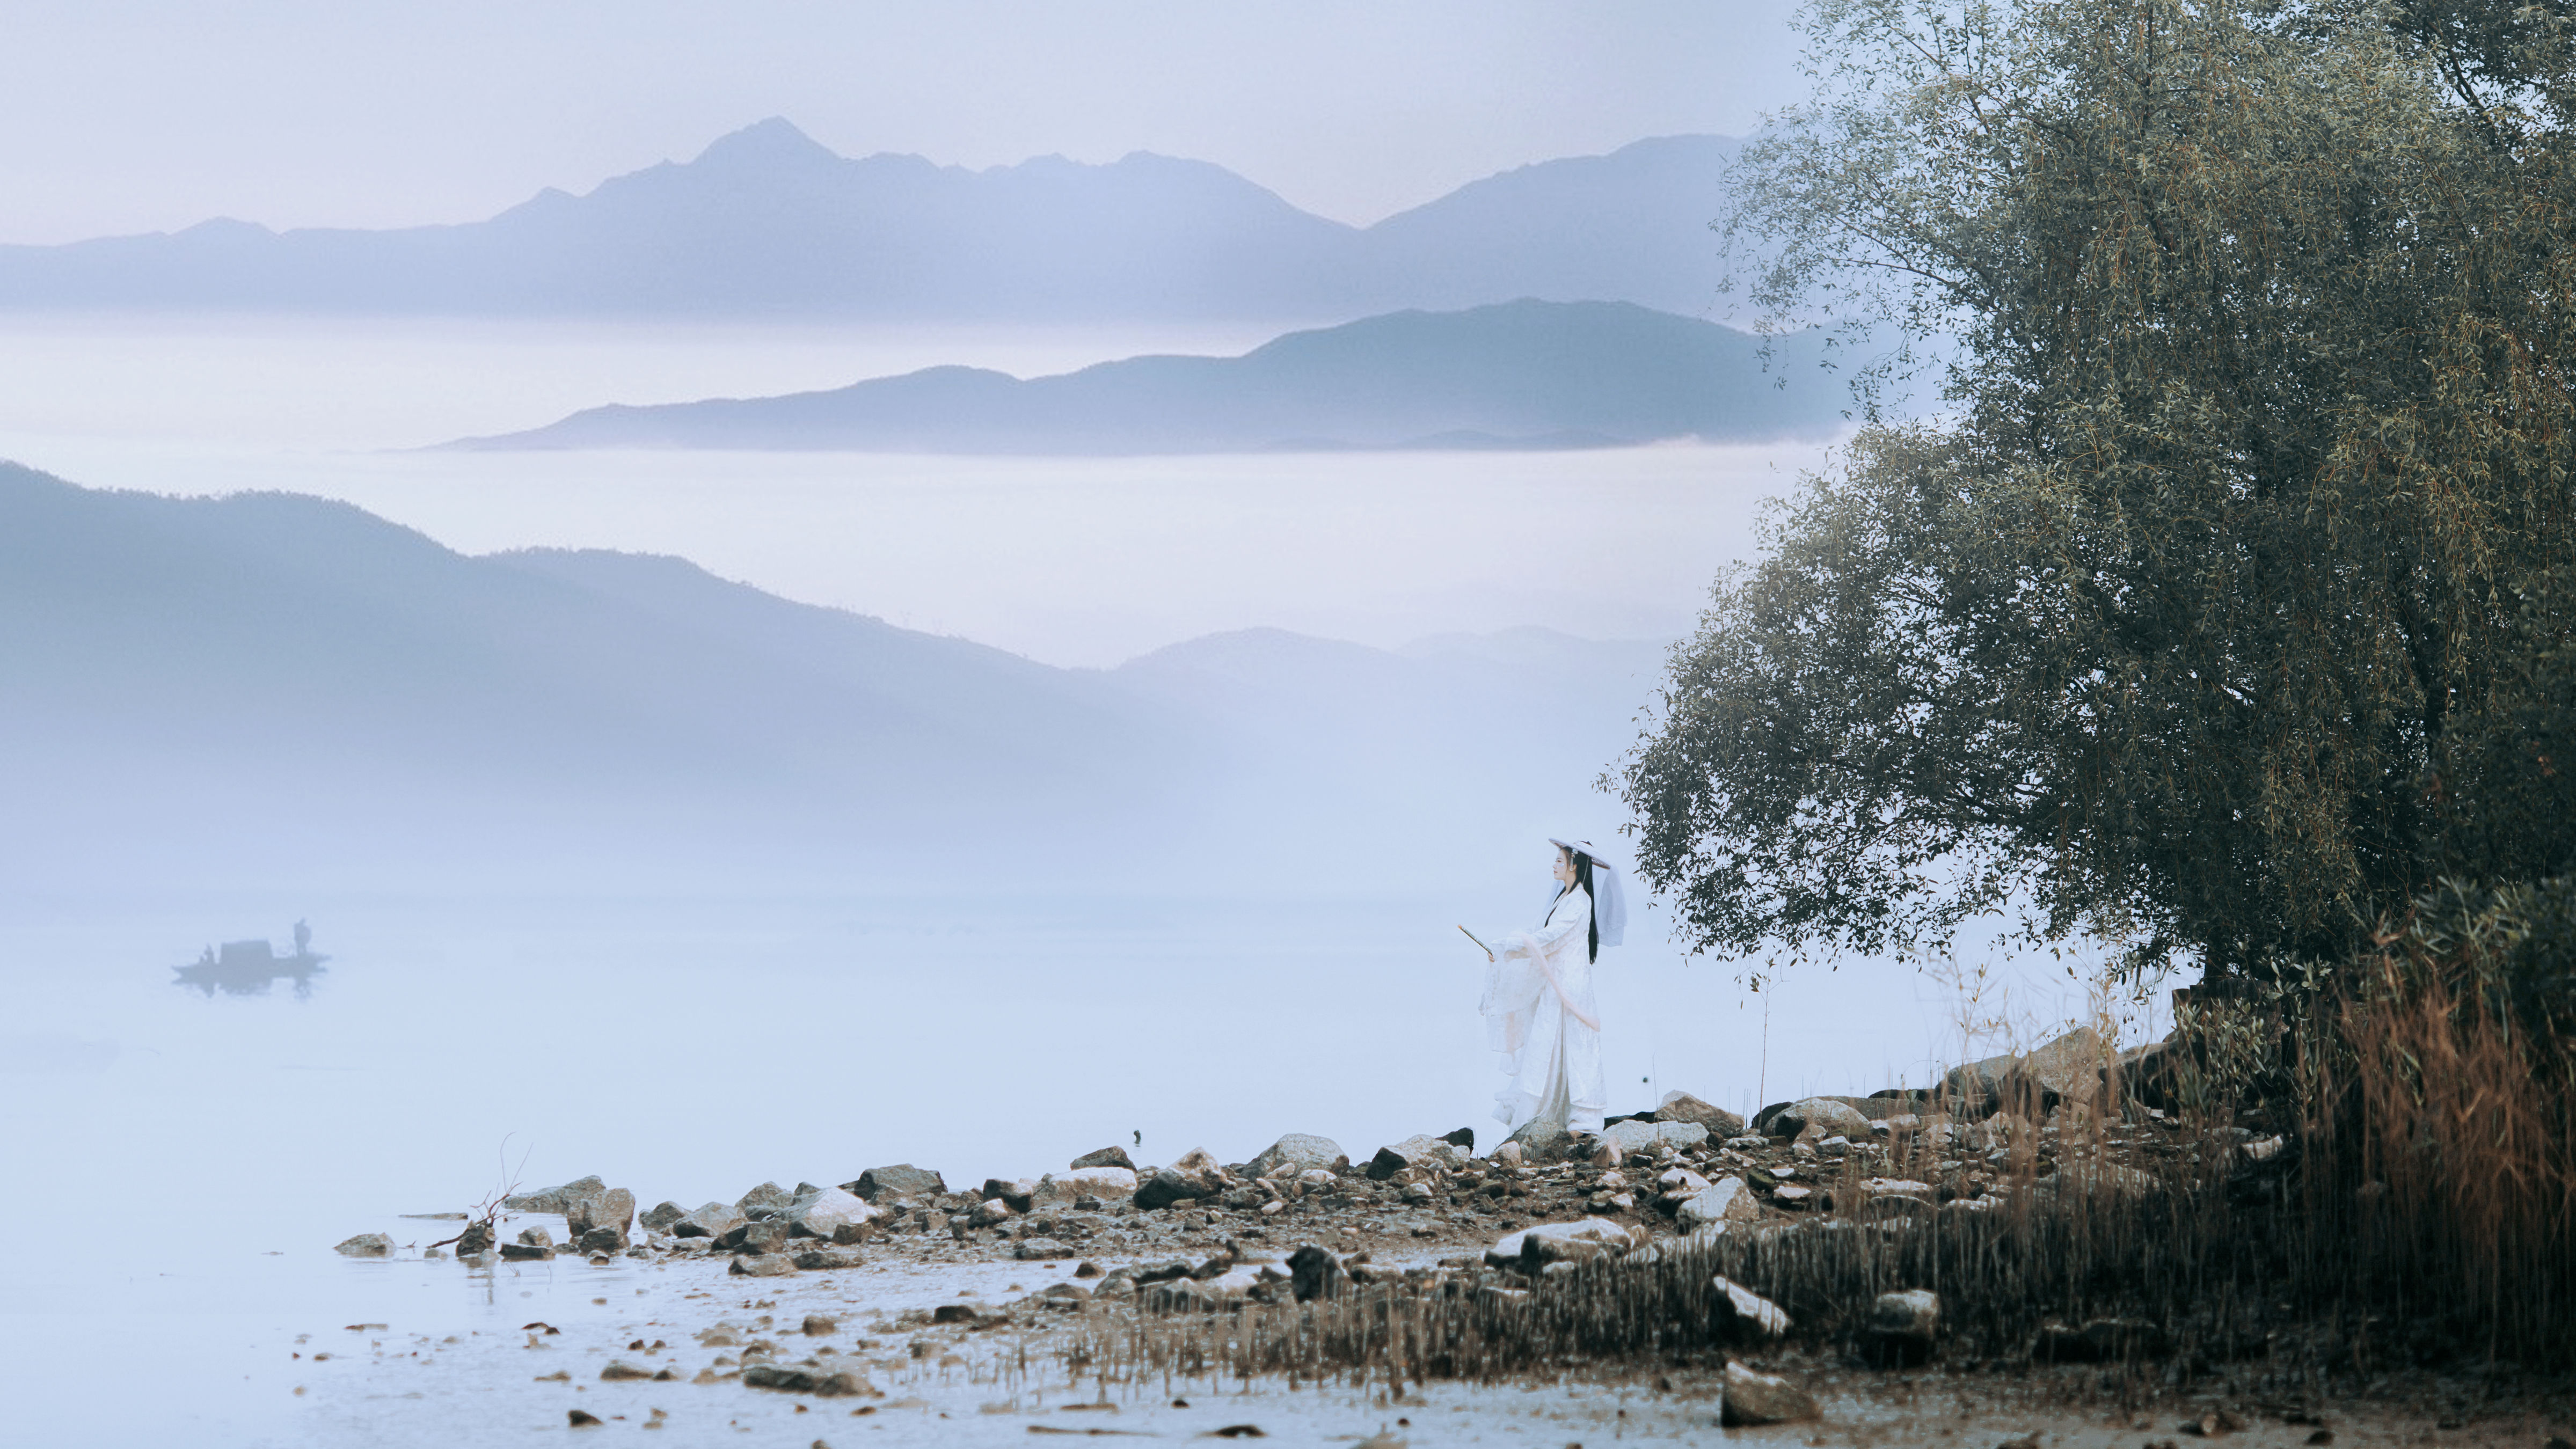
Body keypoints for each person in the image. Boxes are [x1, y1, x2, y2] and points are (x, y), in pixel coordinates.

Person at [1476, 838, 1626, 1136]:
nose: (1554, 865)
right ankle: (1542, 1118)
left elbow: (1550, 939)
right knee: (1545, 1047)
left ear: (1573, 864)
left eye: (1560, 861)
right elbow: (1537, 933)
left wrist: (1509, 947)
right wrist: (1505, 951)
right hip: (1555, 986)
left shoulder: (1581, 902)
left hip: (1570, 988)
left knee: (1575, 1049)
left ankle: (1583, 1120)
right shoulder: (1563, 899)